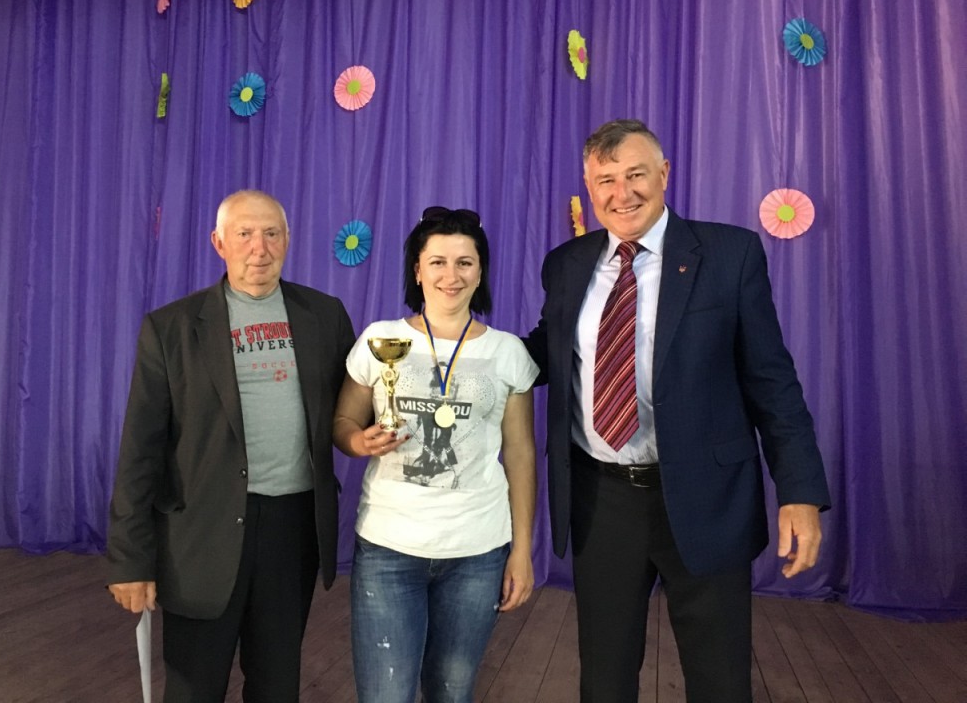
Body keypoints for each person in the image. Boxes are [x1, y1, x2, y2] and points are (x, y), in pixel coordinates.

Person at [524, 120, 831, 702]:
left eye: (636, 174)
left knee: (720, 682)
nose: (622, 193)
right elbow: (545, 352)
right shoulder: (566, 264)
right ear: (590, 188)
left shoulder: (730, 254)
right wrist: (466, 352)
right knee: (604, 682)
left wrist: (800, 492)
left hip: (706, 496)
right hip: (601, 501)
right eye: (606, 180)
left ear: (664, 174)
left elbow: (773, 383)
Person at [106, 190, 355, 702]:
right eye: (244, 234)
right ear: (219, 243)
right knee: (194, 689)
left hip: (291, 530)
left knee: (276, 685)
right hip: (201, 535)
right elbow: (139, 453)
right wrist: (131, 560)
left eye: (271, 234)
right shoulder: (171, 328)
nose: (259, 248)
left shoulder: (325, 316)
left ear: (287, 240)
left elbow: (353, 408)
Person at [333, 206, 538, 703]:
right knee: (386, 694)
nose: (452, 275)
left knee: (453, 692)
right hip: (389, 546)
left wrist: (521, 550)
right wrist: (359, 442)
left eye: (465, 263)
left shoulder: (508, 352)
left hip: (477, 552)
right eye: (438, 262)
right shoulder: (380, 339)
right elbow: (342, 424)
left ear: (481, 272)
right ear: (418, 270)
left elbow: (520, 453)